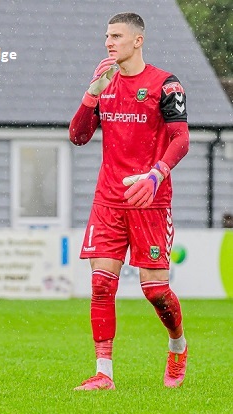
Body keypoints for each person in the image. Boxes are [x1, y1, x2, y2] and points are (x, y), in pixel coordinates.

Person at [69, 12, 189, 390]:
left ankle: (178, 345)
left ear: (138, 40)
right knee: (102, 285)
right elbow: (77, 136)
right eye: (107, 35)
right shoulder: (104, 84)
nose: (109, 42)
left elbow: (181, 140)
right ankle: (104, 374)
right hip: (108, 201)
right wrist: (91, 92)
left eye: (117, 36)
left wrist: (157, 174)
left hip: (150, 201)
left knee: (155, 291)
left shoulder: (165, 84)